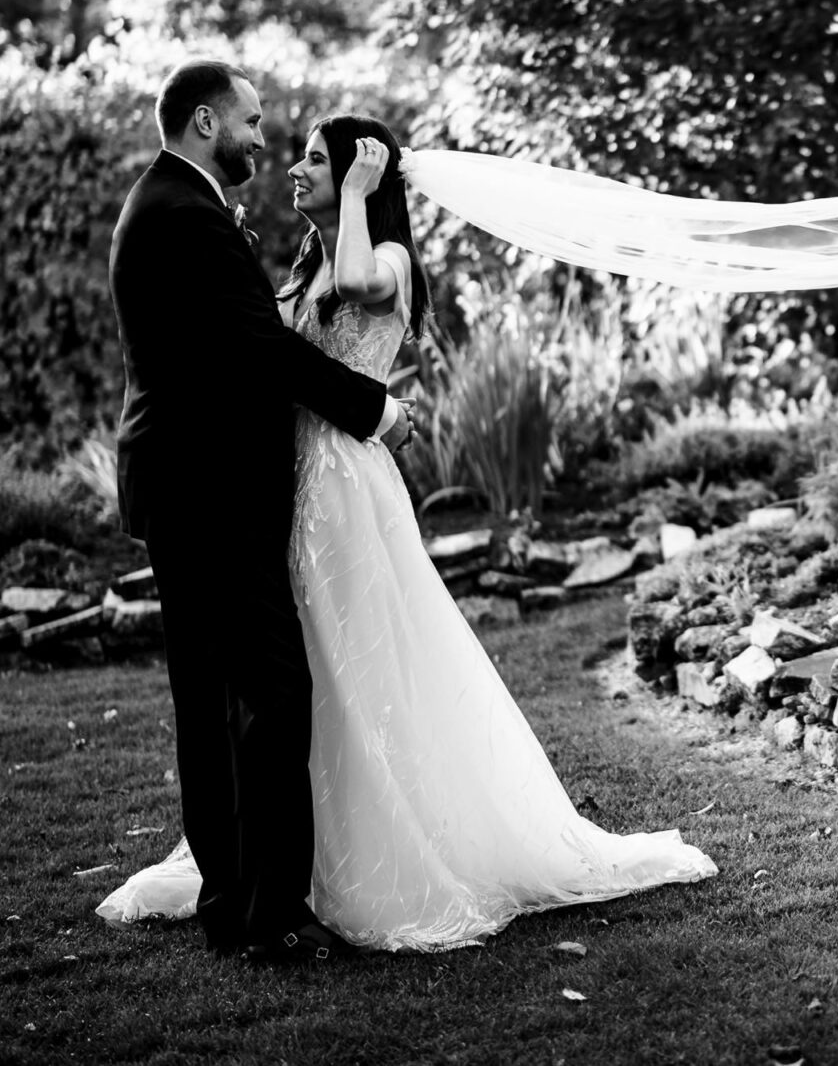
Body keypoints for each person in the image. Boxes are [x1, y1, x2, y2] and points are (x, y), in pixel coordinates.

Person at [102, 114, 717, 953]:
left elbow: (355, 289)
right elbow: (262, 349)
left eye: (317, 158)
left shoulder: (384, 259)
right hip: (290, 480)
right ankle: (288, 867)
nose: (292, 166)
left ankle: (368, 857)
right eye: (293, 152)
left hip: (346, 486)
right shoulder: (304, 258)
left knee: (353, 668)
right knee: (302, 675)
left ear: (361, 175)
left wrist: (357, 193)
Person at [109, 61, 419, 965]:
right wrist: (377, 410)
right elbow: (257, 347)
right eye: (251, 120)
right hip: (212, 490)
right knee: (270, 693)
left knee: (214, 701)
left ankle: (236, 904)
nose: (263, 137)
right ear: (206, 121)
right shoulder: (185, 213)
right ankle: (272, 915)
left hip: (188, 484)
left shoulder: (168, 202)